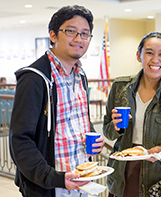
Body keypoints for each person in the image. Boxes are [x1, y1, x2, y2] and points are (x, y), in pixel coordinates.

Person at [9, 5, 105, 197]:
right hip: (50, 186)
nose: (79, 39)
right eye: (71, 31)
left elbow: (78, 121)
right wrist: (55, 178)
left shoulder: (80, 74)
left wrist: (94, 136)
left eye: (85, 34)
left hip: (81, 181)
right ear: (53, 35)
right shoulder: (35, 78)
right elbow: (20, 140)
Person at [103, 31, 161, 197]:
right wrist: (116, 127)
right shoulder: (120, 87)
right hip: (122, 172)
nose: (155, 60)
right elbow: (107, 130)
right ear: (139, 55)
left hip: (157, 174)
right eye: (149, 53)